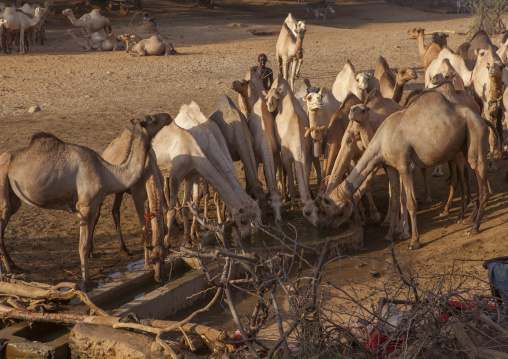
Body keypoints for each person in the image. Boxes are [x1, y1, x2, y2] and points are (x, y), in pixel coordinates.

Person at [483, 256, 508, 322]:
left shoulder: (500, 268)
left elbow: (486, 263)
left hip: (505, 314)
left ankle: (499, 308)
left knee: (494, 276)